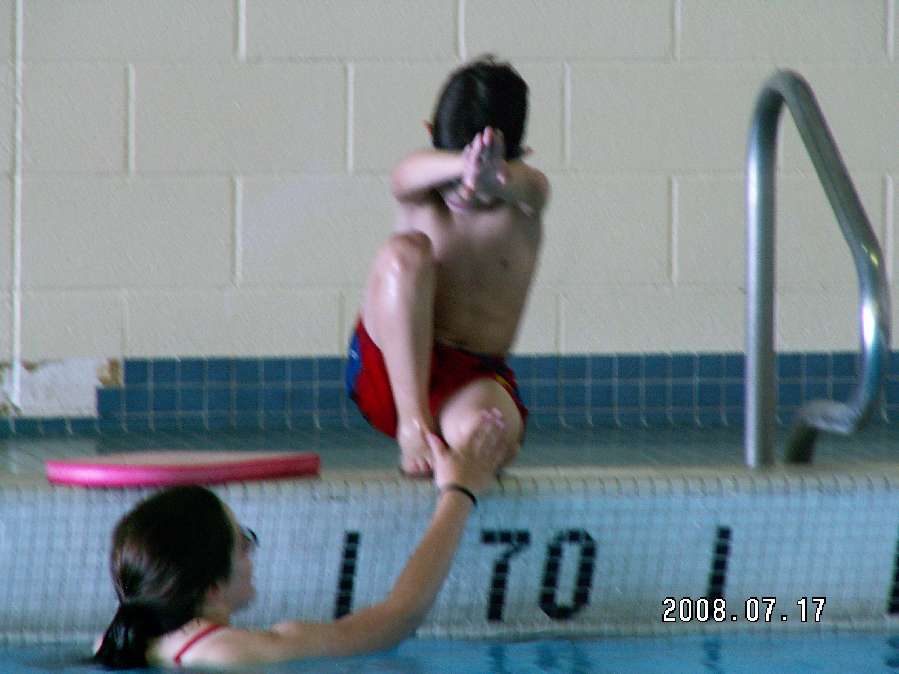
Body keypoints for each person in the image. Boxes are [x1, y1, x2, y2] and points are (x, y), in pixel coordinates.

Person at [92, 410, 507, 669]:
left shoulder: (112, 645)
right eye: (243, 542)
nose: (252, 553)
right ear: (213, 588)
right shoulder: (234, 652)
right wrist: (459, 493)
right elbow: (397, 618)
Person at [346, 56, 550, 476]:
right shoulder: (419, 188)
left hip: (469, 380)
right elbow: (403, 175)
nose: (465, 188)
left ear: (520, 157)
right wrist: (464, 166)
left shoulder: (527, 199)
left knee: (486, 436)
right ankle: (413, 426)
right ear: (431, 143)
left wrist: (498, 179)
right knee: (405, 253)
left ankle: (455, 439)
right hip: (387, 368)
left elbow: (534, 187)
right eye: (457, 162)